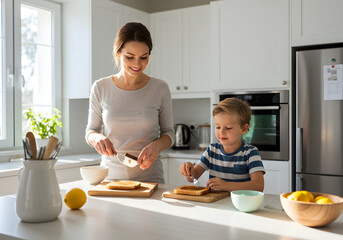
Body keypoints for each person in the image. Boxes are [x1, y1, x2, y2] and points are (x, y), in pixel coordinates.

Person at [85, 22, 175, 183]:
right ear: (118, 53)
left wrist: (155, 146)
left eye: (144, 57)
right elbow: (90, 131)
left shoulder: (160, 88)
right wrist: (97, 138)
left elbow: (169, 134)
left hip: (151, 178)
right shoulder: (100, 87)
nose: (137, 64)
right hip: (110, 178)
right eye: (130, 57)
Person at [179, 98, 265, 191]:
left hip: (239, 205)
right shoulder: (212, 150)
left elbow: (258, 185)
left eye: (228, 128)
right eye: (218, 127)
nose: (221, 132)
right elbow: (193, 177)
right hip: (215, 204)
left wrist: (227, 185)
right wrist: (189, 170)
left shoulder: (250, 153)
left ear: (244, 129)